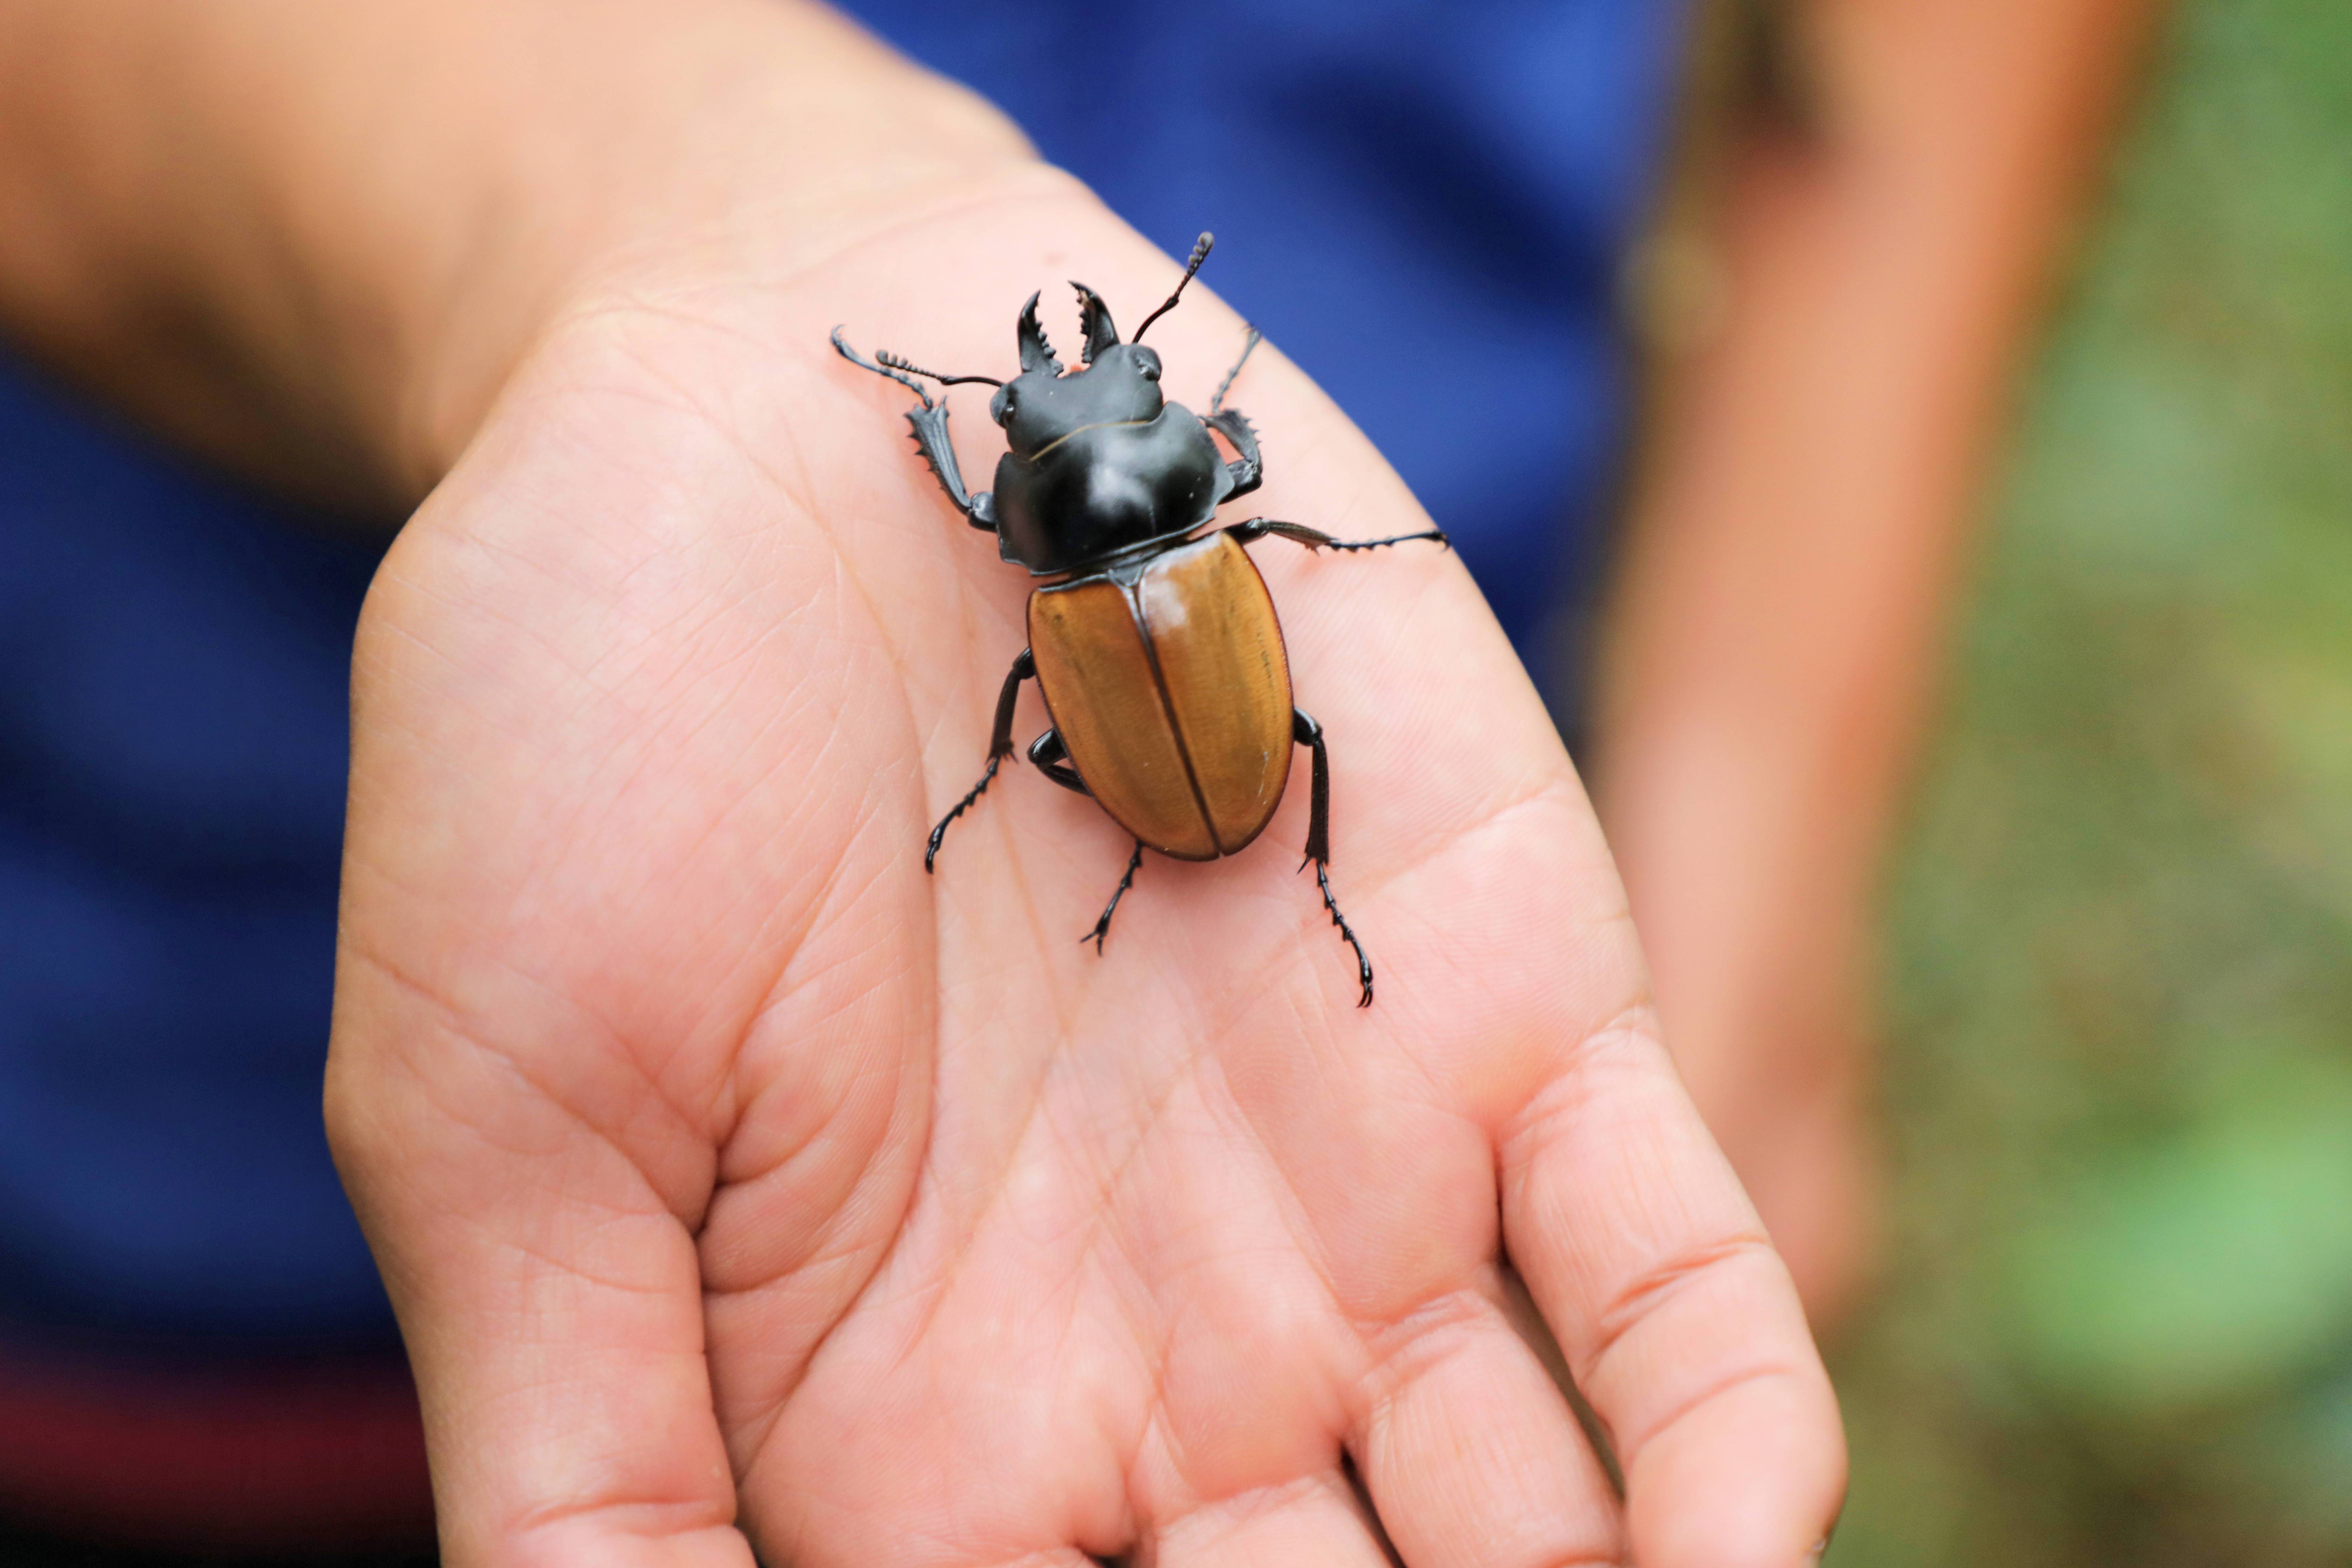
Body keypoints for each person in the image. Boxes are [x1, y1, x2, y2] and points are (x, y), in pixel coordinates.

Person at [0, 0, 2144, 1560]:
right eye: (1071, 396)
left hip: (1385, 1049)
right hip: (176, 1132)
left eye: (1084, 395)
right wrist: (712, 220)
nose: (1074, 389)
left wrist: (1752, 766)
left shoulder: (1052, 573)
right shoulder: (1201, 526)